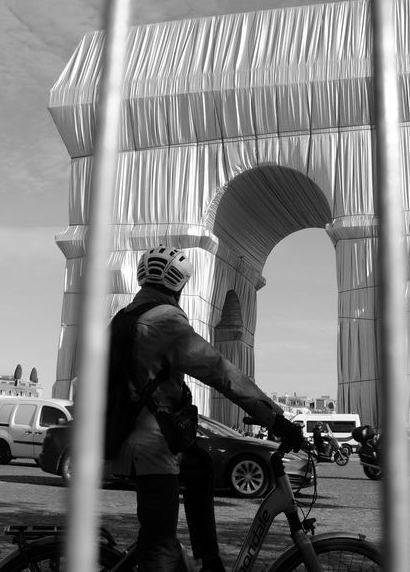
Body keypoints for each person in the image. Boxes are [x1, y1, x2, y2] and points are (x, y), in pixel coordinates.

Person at [116, 245, 303, 572]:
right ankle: (201, 559)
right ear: (180, 285)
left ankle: (210, 560)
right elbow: (221, 373)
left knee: (200, 468)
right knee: (160, 551)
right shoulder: (164, 322)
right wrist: (275, 419)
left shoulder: (124, 318)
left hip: (127, 437)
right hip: (151, 448)